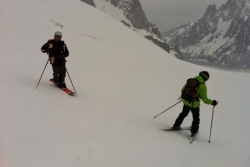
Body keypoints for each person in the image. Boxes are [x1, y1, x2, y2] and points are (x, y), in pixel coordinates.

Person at [171, 71, 218, 137]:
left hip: (186, 101)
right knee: (196, 118)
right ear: (205, 78)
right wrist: (213, 102)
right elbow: (205, 100)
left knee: (183, 114)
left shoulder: (191, 81)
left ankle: (176, 126)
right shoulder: (203, 86)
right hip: (195, 105)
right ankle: (194, 131)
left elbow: (182, 90)